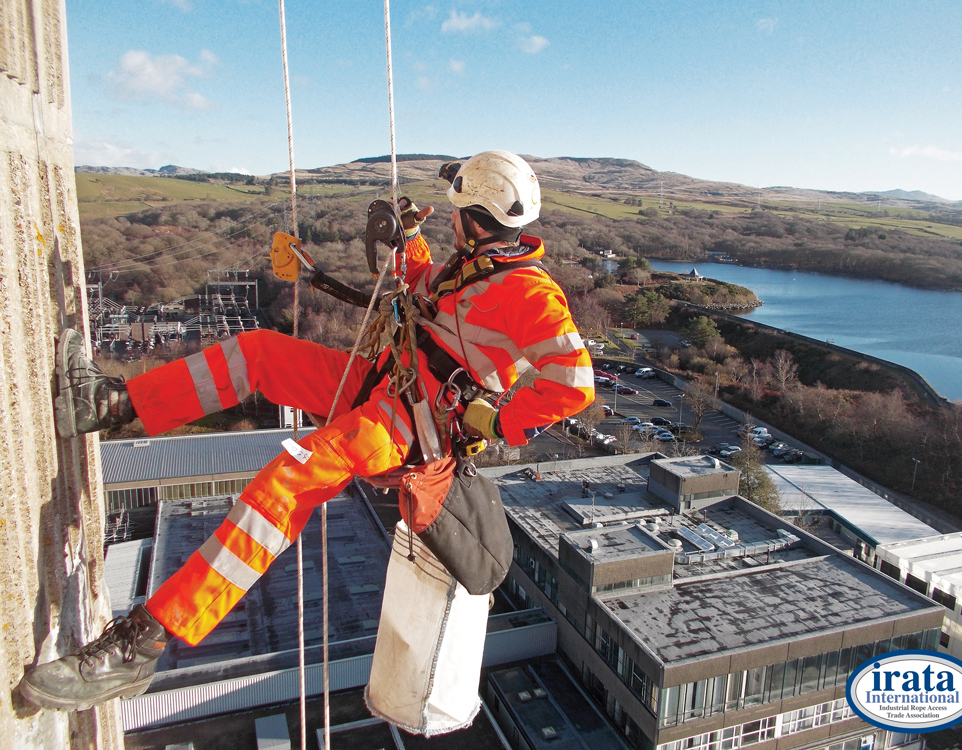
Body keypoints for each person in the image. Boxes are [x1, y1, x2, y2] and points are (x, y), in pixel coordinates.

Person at [19, 150, 595, 711]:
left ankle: (144, 642)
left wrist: (498, 419)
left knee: (286, 481)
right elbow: (426, 293)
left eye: (455, 212)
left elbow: (574, 383)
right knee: (259, 353)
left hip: (407, 424)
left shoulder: (530, 293)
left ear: (476, 218)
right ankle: (112, 404)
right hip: (382, 384)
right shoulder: (476, 264)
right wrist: (406, 241)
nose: (449, 219)